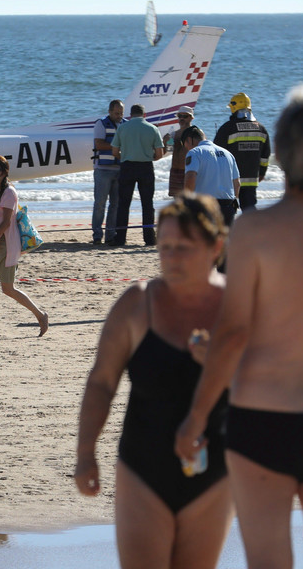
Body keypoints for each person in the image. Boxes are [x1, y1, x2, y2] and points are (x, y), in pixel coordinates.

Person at [175, 85, 303, 569]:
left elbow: (232, 336)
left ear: (283, 155)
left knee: (269, 559)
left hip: (264, 413)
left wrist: (197, 414)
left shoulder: (255, 230)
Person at [76, 193, 233, 569]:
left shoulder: (238, 307)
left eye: (184, 247)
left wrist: (219, 363)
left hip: (214, 476)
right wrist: (85, 454)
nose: (172, 258)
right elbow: (101, 382)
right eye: (165, 247)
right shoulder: (137, 304)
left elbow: (270, 388)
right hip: (142, 470)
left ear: (217, 246)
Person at [0, 155, 49, 338]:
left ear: (5, 171)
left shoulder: (9, 192)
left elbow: (6, 223)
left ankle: (40, 315)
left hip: (5, 245)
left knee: (8, 289)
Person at [109, 104, 165, 246]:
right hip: (145, 167)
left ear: (130, 115)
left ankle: (120, 237)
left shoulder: (122, 127)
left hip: (127, 166)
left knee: (123, 204)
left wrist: (125, 155)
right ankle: (149, 238)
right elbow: (160, 153)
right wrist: (148, 156)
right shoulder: (152, 128)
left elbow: (114, 151)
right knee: (147, 204)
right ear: (144, 115)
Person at [214, 93, 271, 212]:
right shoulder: (261, 129)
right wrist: (261, 173)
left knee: (227, 211)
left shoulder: (227, 128)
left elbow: (216, 154)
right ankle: (252, 230)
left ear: (234, 108)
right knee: (249, 211)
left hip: (230, 180)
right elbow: (265, 156)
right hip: (251, 179)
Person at [182, 126, 241, 227]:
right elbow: (237, 183)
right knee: (224, 241)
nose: (186, 148)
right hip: (227, 206)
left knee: (203, 241)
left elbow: (191, 176)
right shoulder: (228, 154)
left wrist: (187, 201)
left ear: (189, 140)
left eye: (184, 144)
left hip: (204, 206)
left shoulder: (195, 152)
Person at [91, 100, 125, 245]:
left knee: (115, 204)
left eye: (121, 113)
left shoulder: (125, 124)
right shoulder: (101, 124)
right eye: (116, 113)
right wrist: (116, 148)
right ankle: (97, 235)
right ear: (110, 111)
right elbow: (99, 144)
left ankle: (111, 235)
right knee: (100, 203)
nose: (119, 116)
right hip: (103, 170)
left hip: (120, 169)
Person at [163, 107, 195, 198]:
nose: (181, 118)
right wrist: (165, 142)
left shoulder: (195, 133)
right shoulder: (174, 134)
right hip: (175, 171)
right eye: (179, 116)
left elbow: (202, 152)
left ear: (191, 118)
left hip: (189, 171)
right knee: (177, 202)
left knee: (189, 200)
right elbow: (168, 151)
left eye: (184, 116)